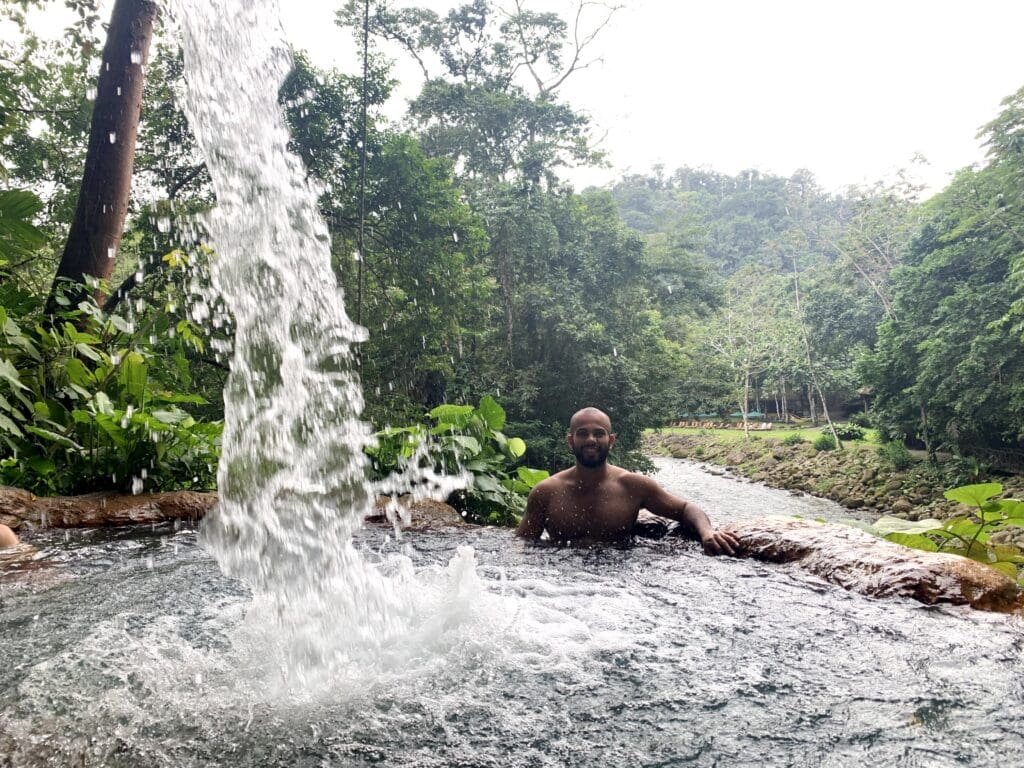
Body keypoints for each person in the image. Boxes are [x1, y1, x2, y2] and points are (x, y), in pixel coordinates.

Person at [515, 407, 739, 554]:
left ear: (611, 440)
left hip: (620, 585)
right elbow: (523, 544)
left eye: (599, 433)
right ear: (570, 441)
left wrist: (707, 533)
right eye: (582, 433)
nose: (591, 439)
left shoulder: (633, 486)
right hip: (559, 584)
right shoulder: (547, 492)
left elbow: (686, 509)